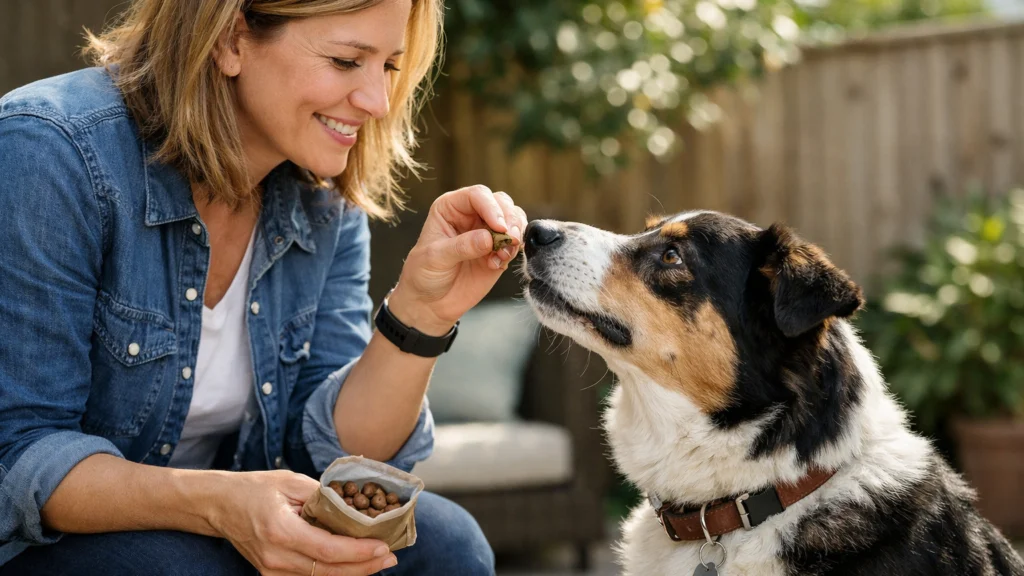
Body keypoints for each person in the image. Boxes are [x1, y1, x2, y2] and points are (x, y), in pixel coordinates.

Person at [0, 0, 527, 574]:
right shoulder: (50, 152)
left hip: (219, 514)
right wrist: (219, 504)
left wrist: (421, 312)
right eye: (346, 61)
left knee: (450, 545)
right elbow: (20, 453)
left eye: (390, 66)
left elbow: (335, 456)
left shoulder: (325, 197)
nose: (377, 101)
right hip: (46, 540)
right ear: (231, 40)